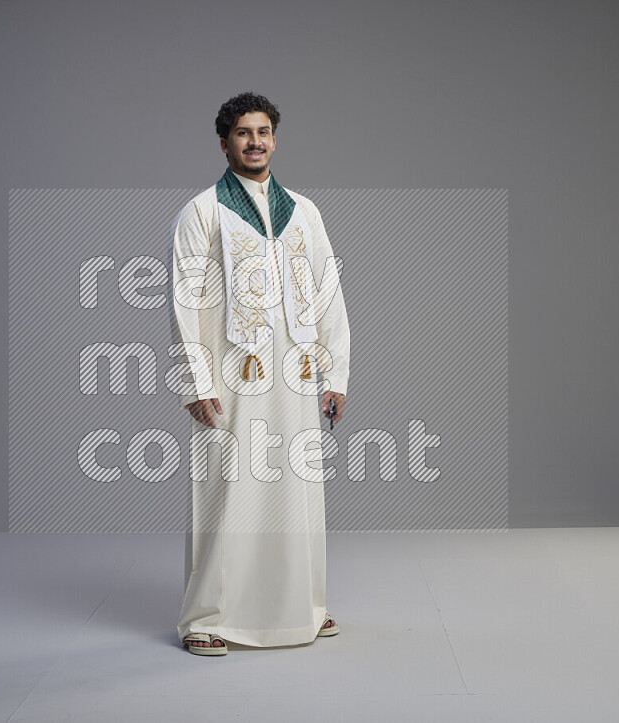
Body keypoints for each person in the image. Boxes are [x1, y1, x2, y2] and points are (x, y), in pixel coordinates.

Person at [167, 92, 350, 656]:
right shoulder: (203, 211)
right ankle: (207, 618)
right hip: (232, 376)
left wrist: (335, 371)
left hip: (294, 374)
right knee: (227, 491)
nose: (255, 141)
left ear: (275, 138)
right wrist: (194, 383)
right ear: (225, 143)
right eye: (243, 133)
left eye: (263, 131)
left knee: (297, 491)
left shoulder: (305, 210)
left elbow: (327, 292)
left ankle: (305, 607)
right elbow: (183, 299)